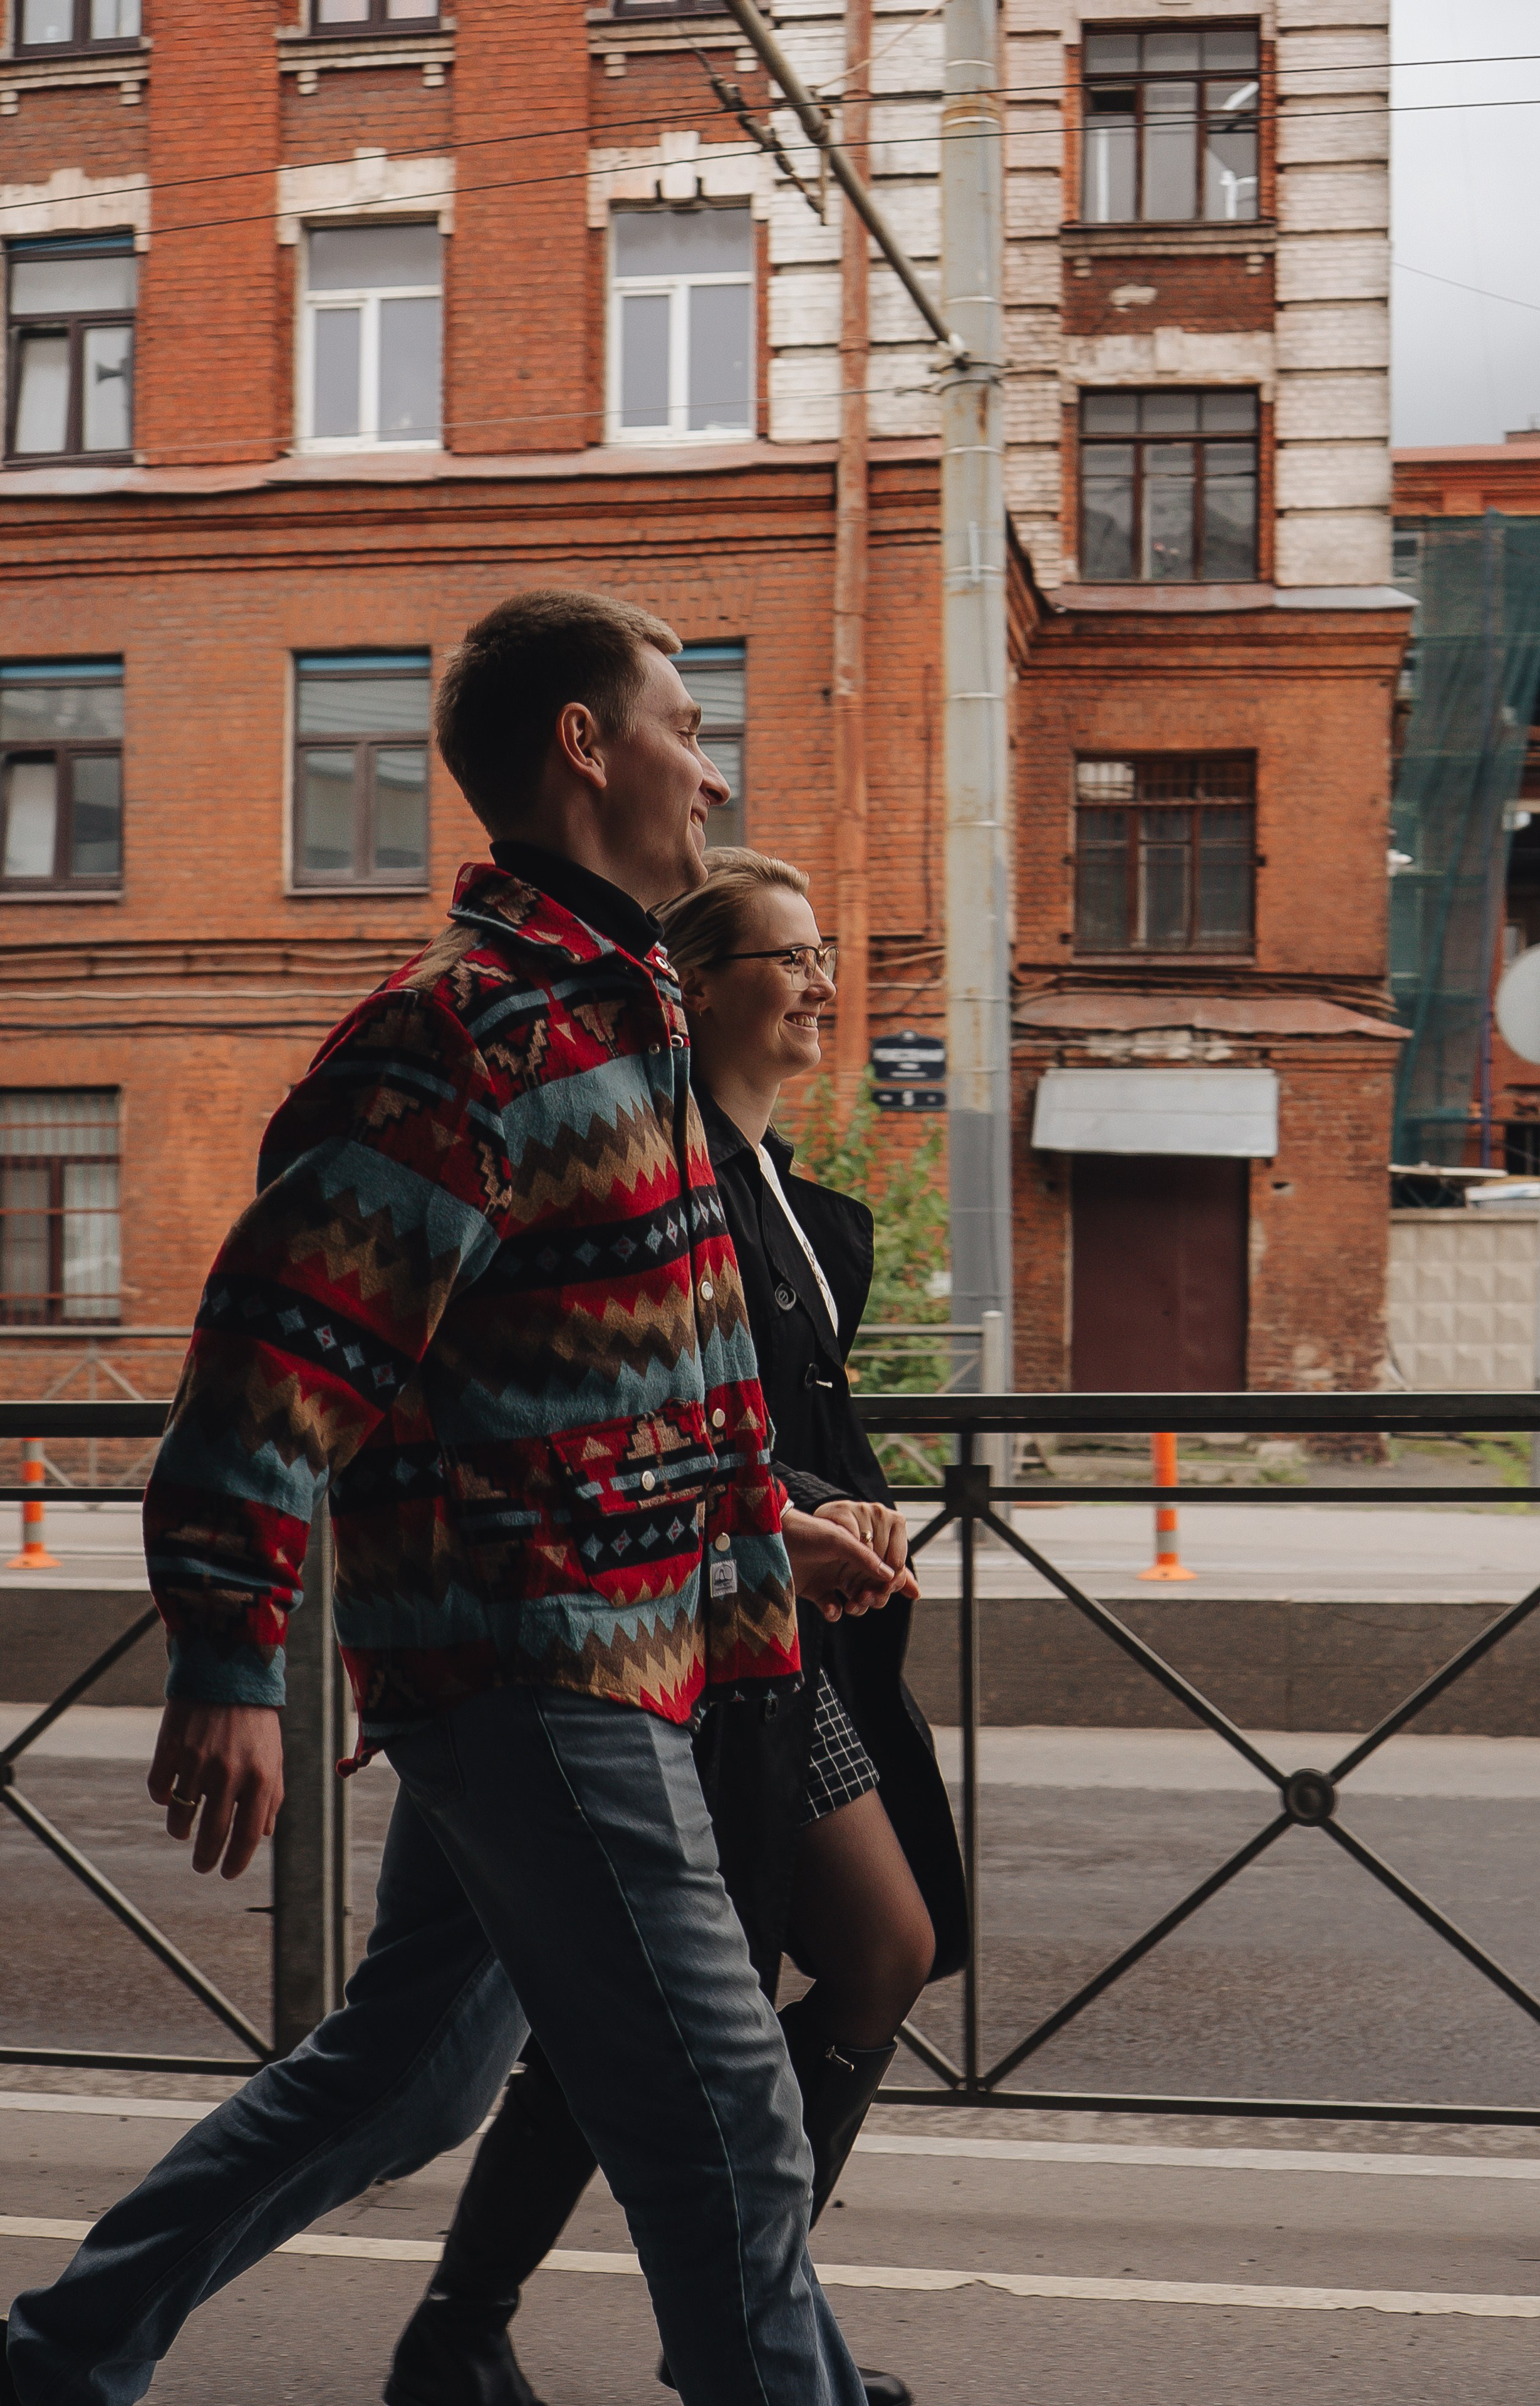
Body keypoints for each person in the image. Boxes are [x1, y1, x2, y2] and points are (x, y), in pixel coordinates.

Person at [1, 590, 912, 2406]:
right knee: (724, 2116)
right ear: (587, 745)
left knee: (408, 2074)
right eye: (683, 721)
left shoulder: (624, 1022)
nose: (710, 765)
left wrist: (760, 1533)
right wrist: (232, 1653)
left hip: (626, 1642)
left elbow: (627, 1382)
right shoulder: (460, 1038)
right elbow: (270, 1360)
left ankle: (54, 2357)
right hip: (537, 1668)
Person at [386, 850, 967, 2406]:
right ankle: (741, 2323)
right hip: (682, 1625)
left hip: (767, 1615)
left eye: (828, 950)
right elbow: (648, 1405)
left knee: (614, 2019)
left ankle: (505, 2324)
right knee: (816, 1966)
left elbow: (773, 1410)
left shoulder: (781, 1185)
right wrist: (789, 1509)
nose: (824, 981)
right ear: (695, 987)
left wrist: (856, 1501)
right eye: (788, 955)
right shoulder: (663, 1163)